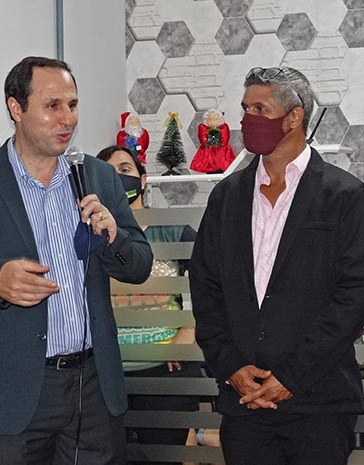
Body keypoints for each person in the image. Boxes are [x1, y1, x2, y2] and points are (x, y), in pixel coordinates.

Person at [0, 56, 153, 465]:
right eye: (52, 106)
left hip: (92, 386)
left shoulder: (98, 176)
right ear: (16, 108)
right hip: (11, 388)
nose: (67, 119)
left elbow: (140, 265)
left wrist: (114, 237)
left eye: (73, 104)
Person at [190, 67, 364, 465]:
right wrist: (231, 366)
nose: (247, 119)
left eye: (261, 108)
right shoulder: (226, 197)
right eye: (245, 108)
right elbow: (205, 289)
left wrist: (291, 377)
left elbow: (352, 298)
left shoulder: (345, 196)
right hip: (245, 403)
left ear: (294, 117)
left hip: (318, 404)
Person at [97, 145, 201, 465]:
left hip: (166, 370)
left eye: (125, 170)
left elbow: (213, 287)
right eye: (108, 173)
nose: (118, 178)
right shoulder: (90, 237)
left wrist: (188, 331)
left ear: (143, 180)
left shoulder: (173, 231)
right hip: (108, 376)